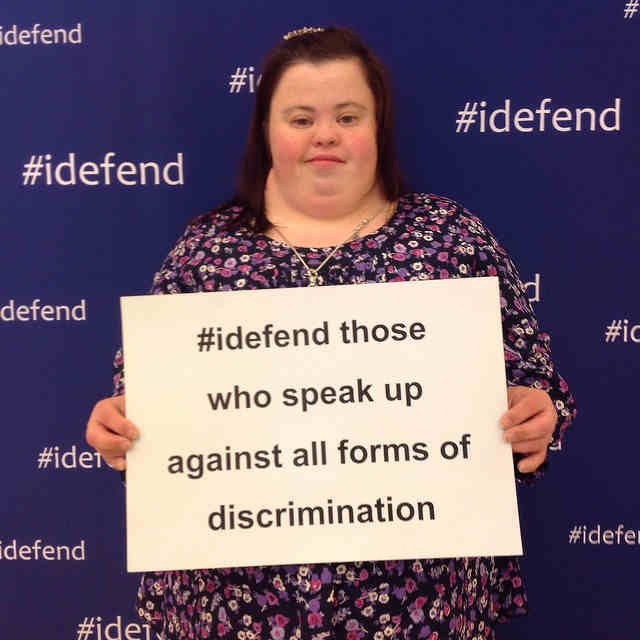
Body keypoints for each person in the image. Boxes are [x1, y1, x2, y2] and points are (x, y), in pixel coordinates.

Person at [86, 26, 576, 640]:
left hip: (418, 604)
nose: (325, 134)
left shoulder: (453, 239)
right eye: (300, 118)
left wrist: (537, 412)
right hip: (234, 609)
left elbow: (536, 383)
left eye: (348, 115)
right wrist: (123, 432)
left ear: (379, 128)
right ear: (267, 132)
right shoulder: (203, 252)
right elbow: (146, 411)